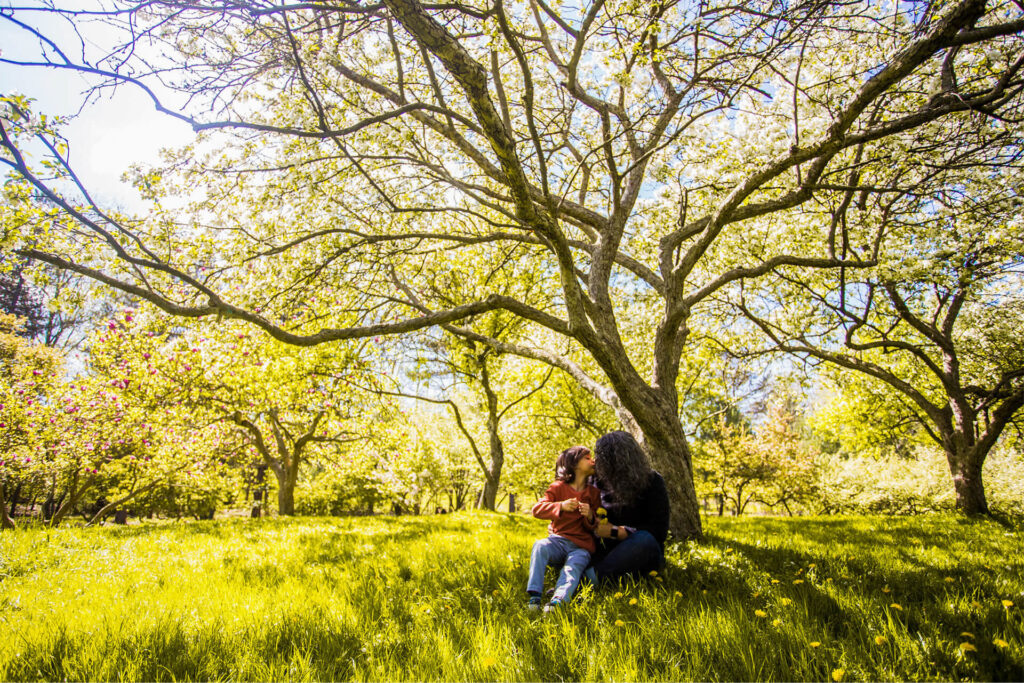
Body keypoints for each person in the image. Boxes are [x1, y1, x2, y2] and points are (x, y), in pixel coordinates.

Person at [526, 445, 601, 612]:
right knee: (540, 546)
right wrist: (560, 506)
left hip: (581, 547)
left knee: (572, 568)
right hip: (557, 542)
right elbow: (537, 509)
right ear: (574, 464)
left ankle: (558, 600)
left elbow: (596, 524)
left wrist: (589, 516)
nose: (593, 461)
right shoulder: (557, 488)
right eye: (587, 458)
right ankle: (534, 596)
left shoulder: (594, 494)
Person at [590, 430, 670, 582]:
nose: (597, 460)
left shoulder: (653, 481)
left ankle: (584, 582)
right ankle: (589, 576)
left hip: (639, 550)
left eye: (602, 456)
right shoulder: (595, 480)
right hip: (605, 550)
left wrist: (616, 532)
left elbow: (659, 531)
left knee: (644, 540)